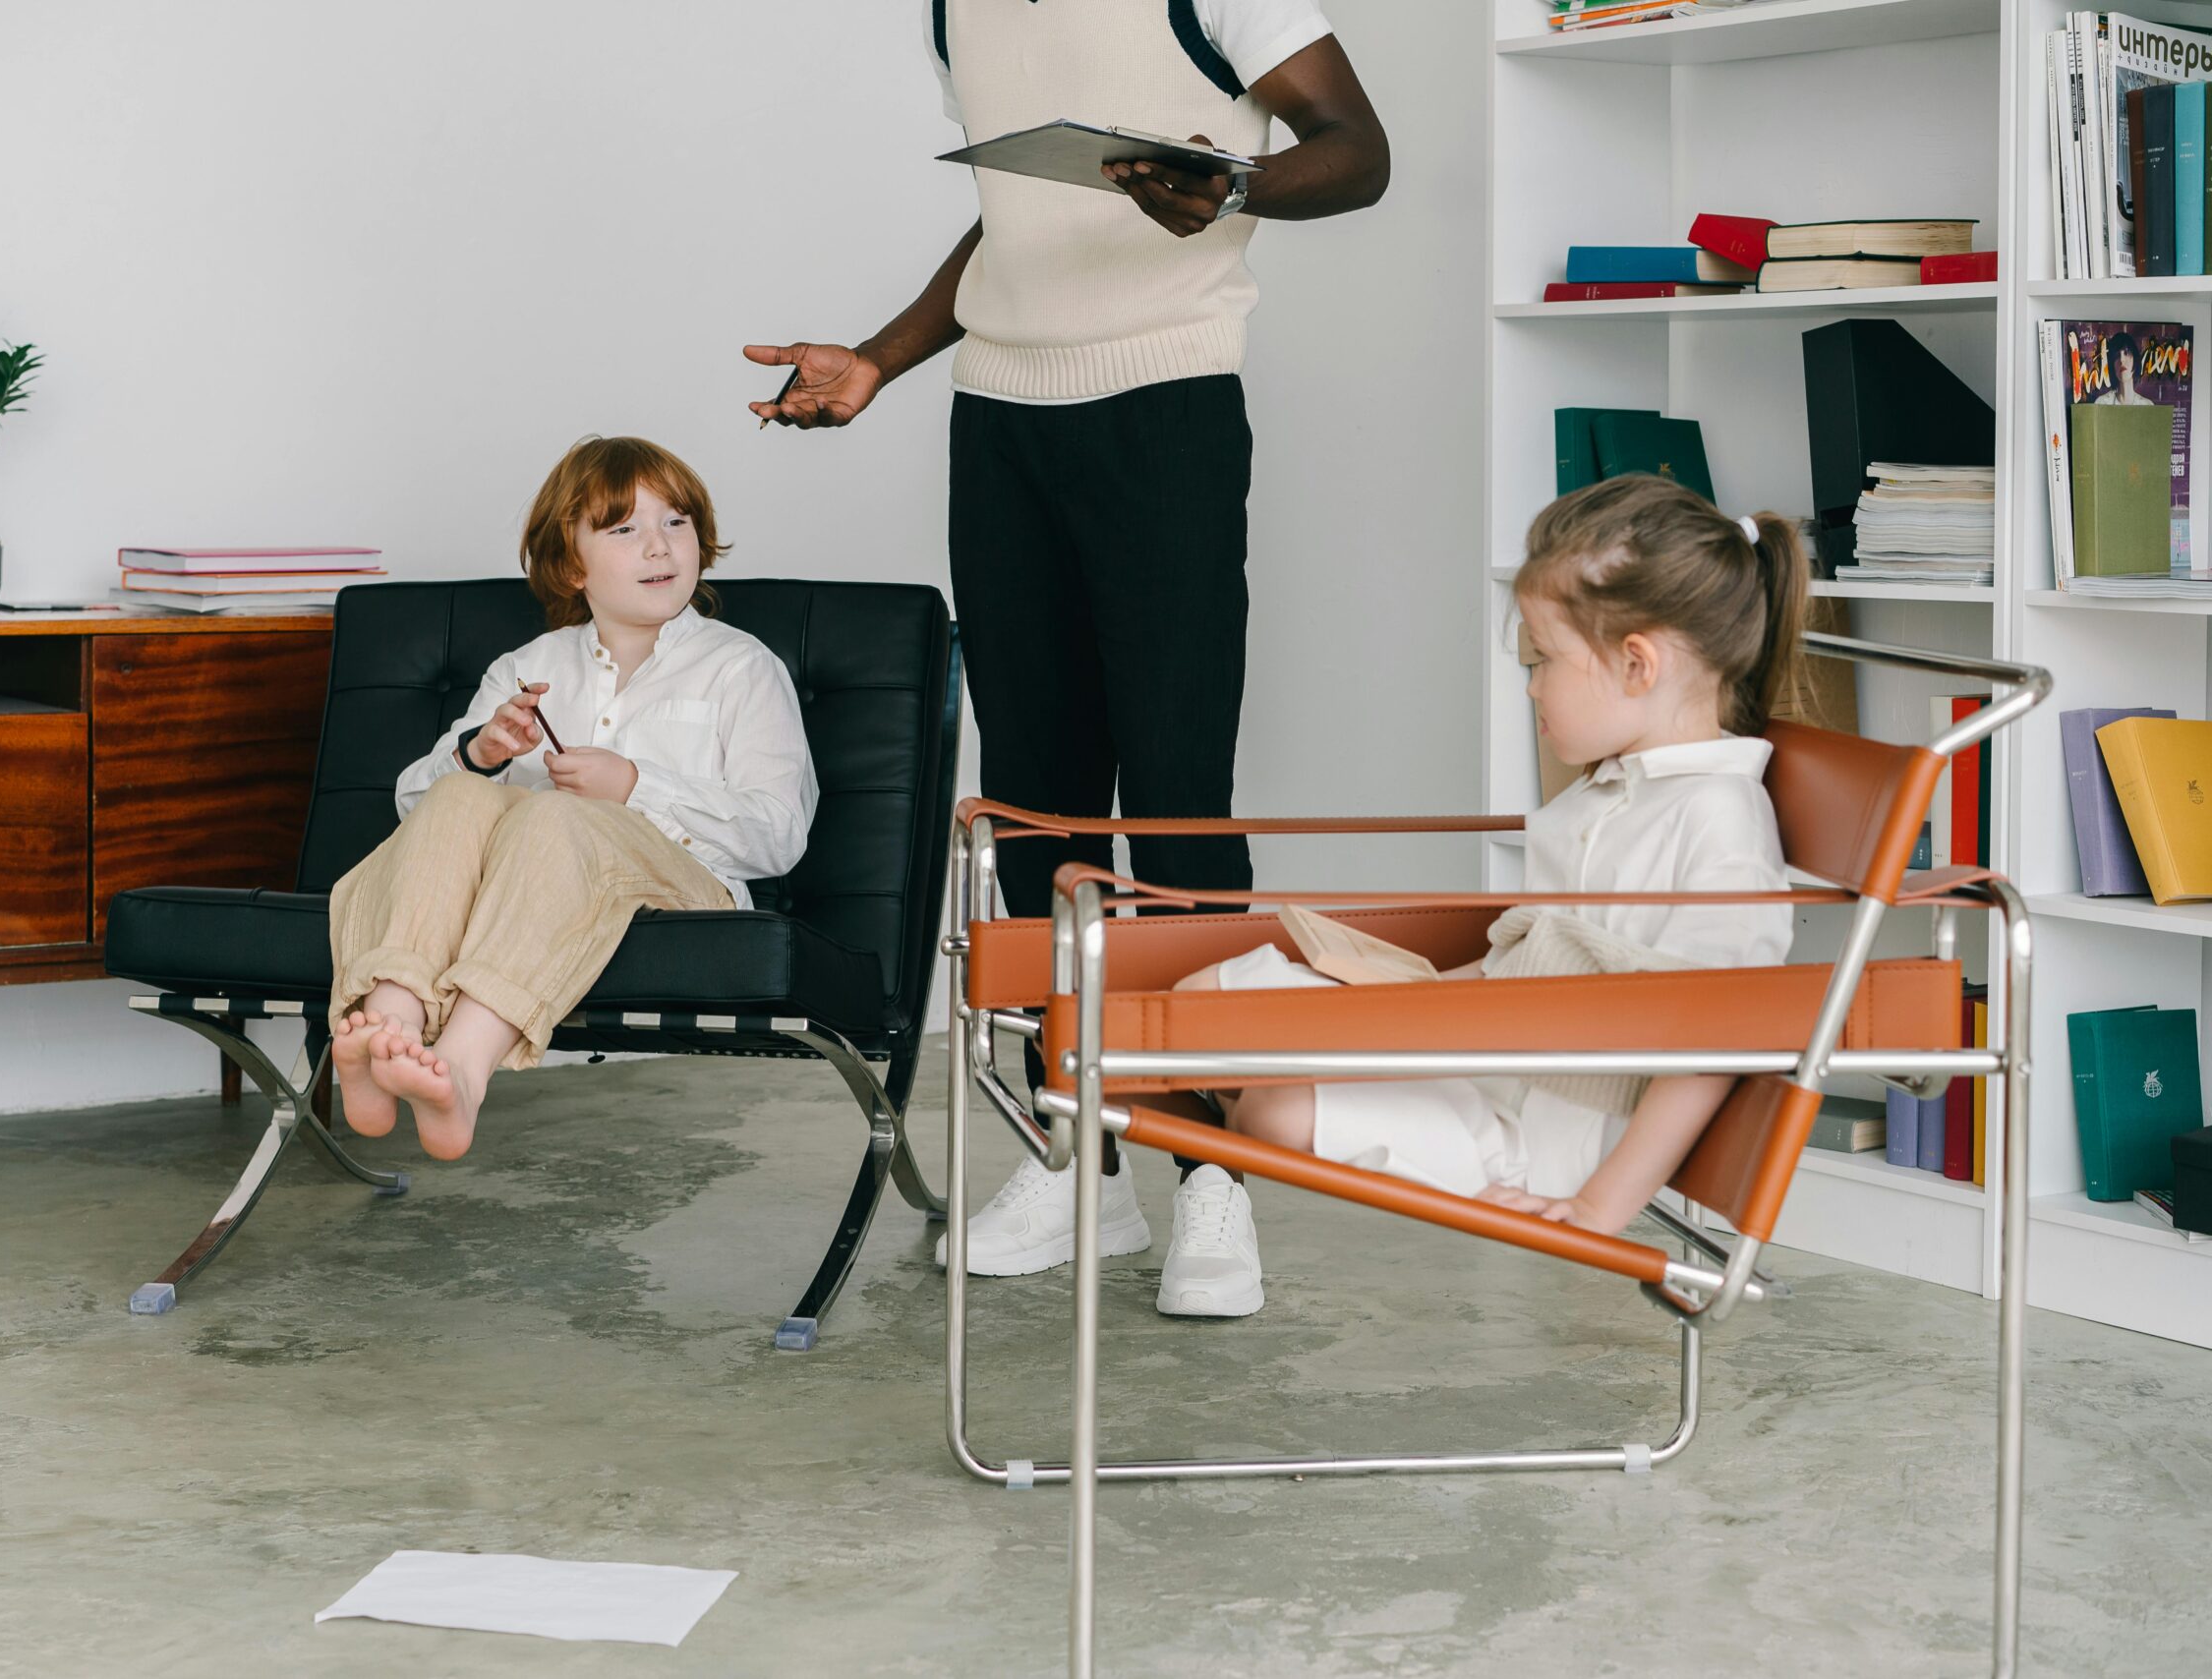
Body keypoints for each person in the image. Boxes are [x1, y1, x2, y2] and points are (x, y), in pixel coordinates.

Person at [744, 0, 1390, 1315]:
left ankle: (1210, 1171)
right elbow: (1014, 222)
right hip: (1002, 429)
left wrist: (1234, 184)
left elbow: (1359, 148)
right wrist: (879, 360)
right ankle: (1079, 1158)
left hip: (1167, 413)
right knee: (1038, 814)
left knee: (1174, 808)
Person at [1173, 476, 1808, 1311]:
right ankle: (1288, 1049)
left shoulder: (1721, 825)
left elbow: (1714, 1046)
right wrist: (1400, 1002)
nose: (1532, 685)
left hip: (1535, 1133)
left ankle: (1284, 1072)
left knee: (1274, 1114)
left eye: (1543, 660)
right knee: (1207, 998)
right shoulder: (1605, 789)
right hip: (1487, 1055)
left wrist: (1596, 1208)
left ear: (1637, 663)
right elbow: (1534, 963)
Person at [326, 436, 817, 1160]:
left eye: (675, 522)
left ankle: (463, 1067)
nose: (658, 546)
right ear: (571, 562)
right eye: (624, 529)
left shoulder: (742, 669)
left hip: (690, 900)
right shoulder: (528, 667)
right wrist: (481, 754)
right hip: (536, 895)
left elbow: (778, 836)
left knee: (558, 814)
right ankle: (388, 1026)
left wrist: (636, 789)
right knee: (460, 799)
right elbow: (416, 812)